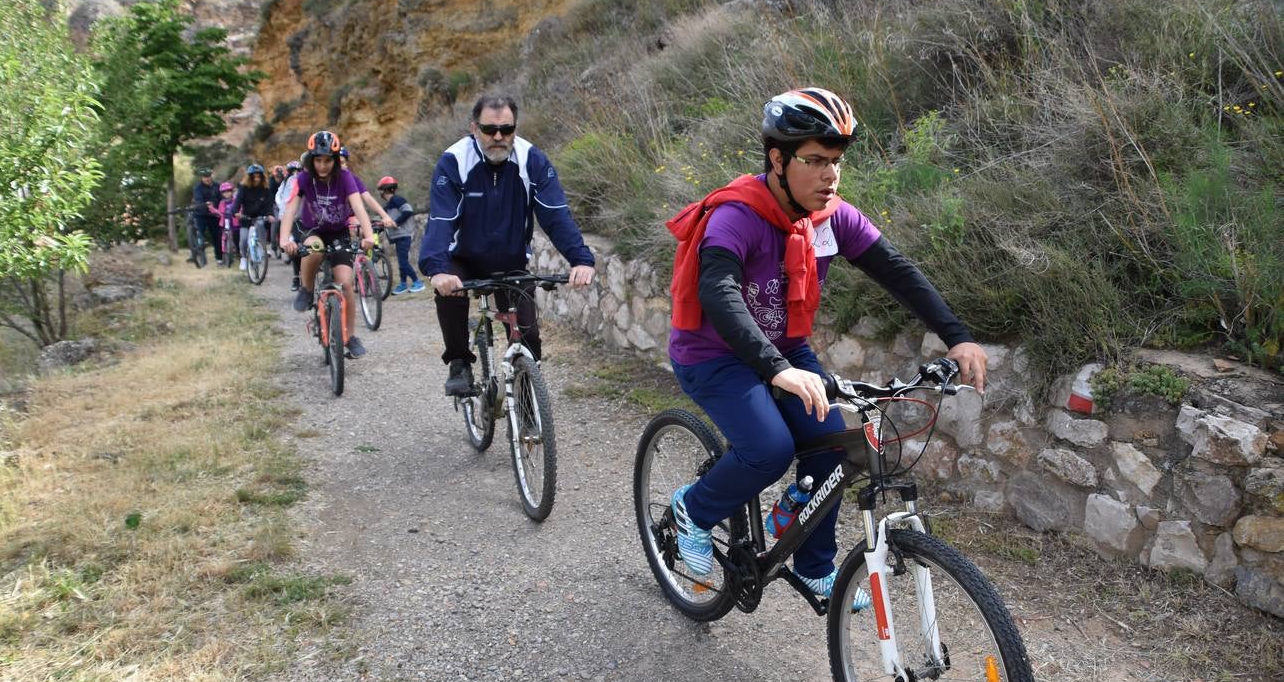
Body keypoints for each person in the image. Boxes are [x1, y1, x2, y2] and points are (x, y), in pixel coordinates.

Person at [665, 87, 988, 602]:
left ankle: (815, 564)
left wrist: (958, 336)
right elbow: (719, 292)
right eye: (814, 161)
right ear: (777, 158)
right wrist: (775, 369)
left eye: (835, 161)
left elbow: (896, 271)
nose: (829, 175)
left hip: (784, 350)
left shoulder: (831, 217)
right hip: (714, 354)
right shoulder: (737, 215)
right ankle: (694, 510)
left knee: (833, 448)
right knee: (769, 449)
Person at [419, 93, 596, 395]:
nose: (498, 137)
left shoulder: (532, 160)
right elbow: (442, 220)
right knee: (450, 293)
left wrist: (581, 259)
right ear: (474, 128)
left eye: (507, 129)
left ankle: (529, 402)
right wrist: (436, 269)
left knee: (529, 337)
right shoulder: (454, 161)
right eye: (489, 129)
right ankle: (459, 361)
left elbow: (555, 216)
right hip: (463, 257)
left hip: (510, 260)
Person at [279, 130, 377, 359]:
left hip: (339, 232)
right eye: (318, 160)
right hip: (312, 230)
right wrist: (284, 239)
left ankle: (349, 336)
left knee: (345, 282)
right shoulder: (303, 179)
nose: (323, 166)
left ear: (335, 160)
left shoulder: (345, 177)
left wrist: (369, 236)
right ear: (311, 160)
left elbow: (359, 207)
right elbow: (291, 208)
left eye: (328, 160)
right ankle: (306, 288)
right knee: (314, 249)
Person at [377, 175, 424, 293]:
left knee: (403, 262)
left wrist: (396, 222)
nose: (381, 193)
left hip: (403, 235)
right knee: (401, 262)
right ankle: (403, 284)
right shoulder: (387, 206)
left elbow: (408, 211)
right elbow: (386, 222)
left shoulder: (397, 200)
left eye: (381, 191)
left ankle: (417, 282)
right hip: (397, 237)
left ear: (385, 190)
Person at [233, 164, 275, 270]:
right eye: (254, 176)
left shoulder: (265, 189)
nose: (257, 178)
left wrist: (270, 215)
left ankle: (262, 248)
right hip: (246, 217)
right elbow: (237, 202)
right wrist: (235, 212)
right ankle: (243, 258)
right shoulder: (243, 188)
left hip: (260, 217)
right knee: (243, 240)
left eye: (259, 176)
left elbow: (269, 204)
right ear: (249, 177)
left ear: (262, 177)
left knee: (260, 227)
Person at [191, 168, 223, 262]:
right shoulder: (198, 188)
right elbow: (198, 199)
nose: (207, 178)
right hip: (201, 215)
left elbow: (221, 199)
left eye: (208, 176)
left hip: (214, 215)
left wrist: (220, 210)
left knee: (217, 236)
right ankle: (197, 255)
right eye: (205, 177)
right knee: (199, 234)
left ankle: (219, 258)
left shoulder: (217, 186)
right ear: (202, 177)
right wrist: (205, 205)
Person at [215, 181, 238, 265]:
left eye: (228, 191)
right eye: (224, 192)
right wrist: (212, 210)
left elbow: (240, 208)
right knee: (223, 238)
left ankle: (238, 252)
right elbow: (219, 212)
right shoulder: (222, 203)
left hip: (235, 223)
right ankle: (225, 253)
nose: (226, 193)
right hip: (225, 223)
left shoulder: (236, 201)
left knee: (236, 237)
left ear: (231, 191)